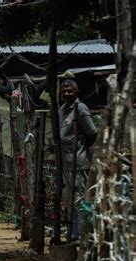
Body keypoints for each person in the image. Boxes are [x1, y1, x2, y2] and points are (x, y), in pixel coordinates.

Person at [58, 79, 97, 241]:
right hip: (66, 163)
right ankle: (73, 235)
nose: (67, 93)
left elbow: (92, 133)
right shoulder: (62, 109)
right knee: (70, 199)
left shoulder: (80, 108)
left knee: (81, 198)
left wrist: (81, 149)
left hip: (79, 162)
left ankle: (83, 235)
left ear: (76, 93)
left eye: (70, 91)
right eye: (64, 91)